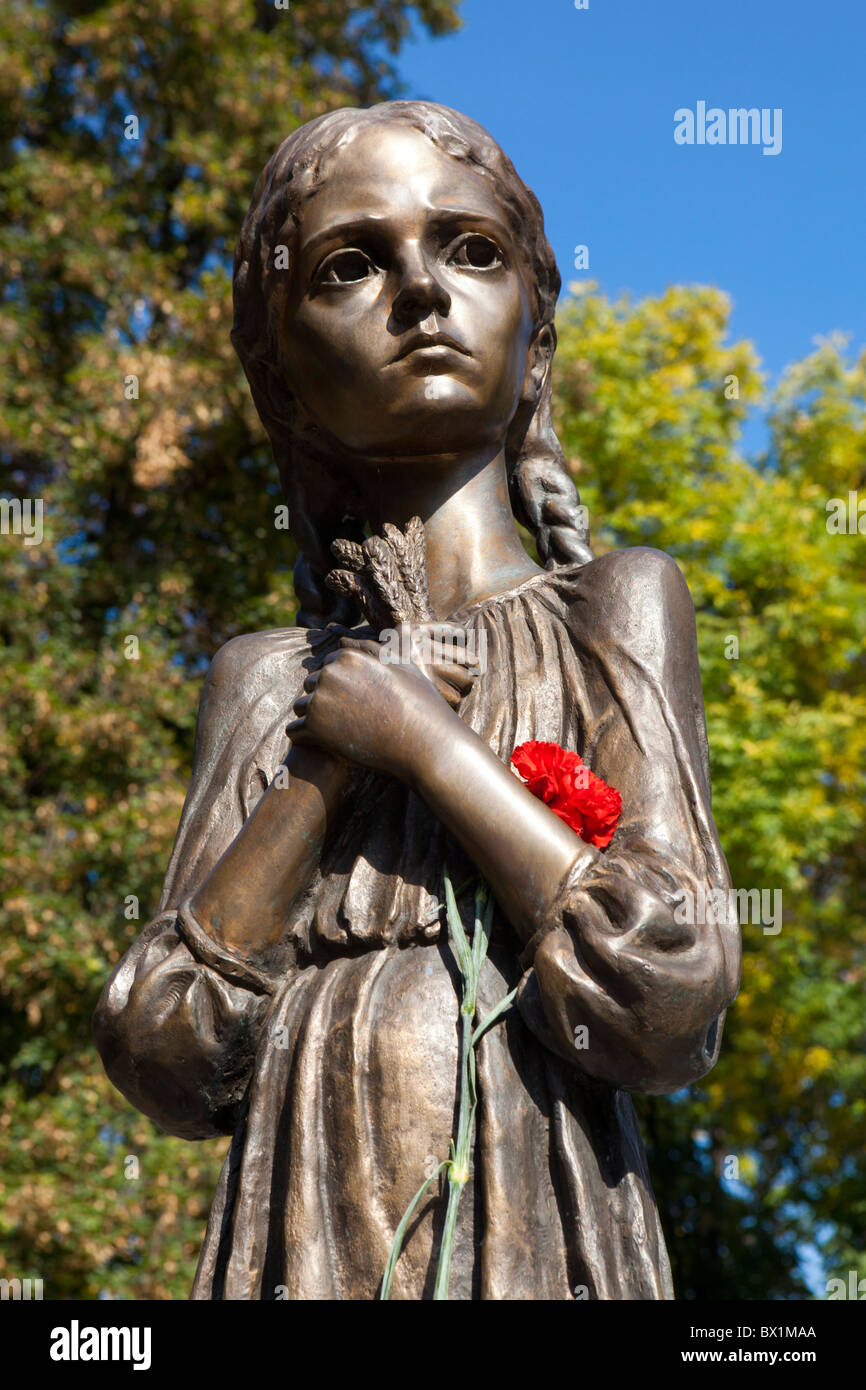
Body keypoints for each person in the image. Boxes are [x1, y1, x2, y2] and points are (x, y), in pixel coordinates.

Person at [94, 102, 740, 1300]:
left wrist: (428, 746)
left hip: (538, 1209)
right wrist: (322, 779)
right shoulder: (264, 676)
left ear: (534, 343)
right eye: (353, 264)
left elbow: (670, 1001)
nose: (422, 291)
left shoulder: (615, 605)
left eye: (470, 249)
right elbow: (163, 1052)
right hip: (304, 1215)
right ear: (280, 380)